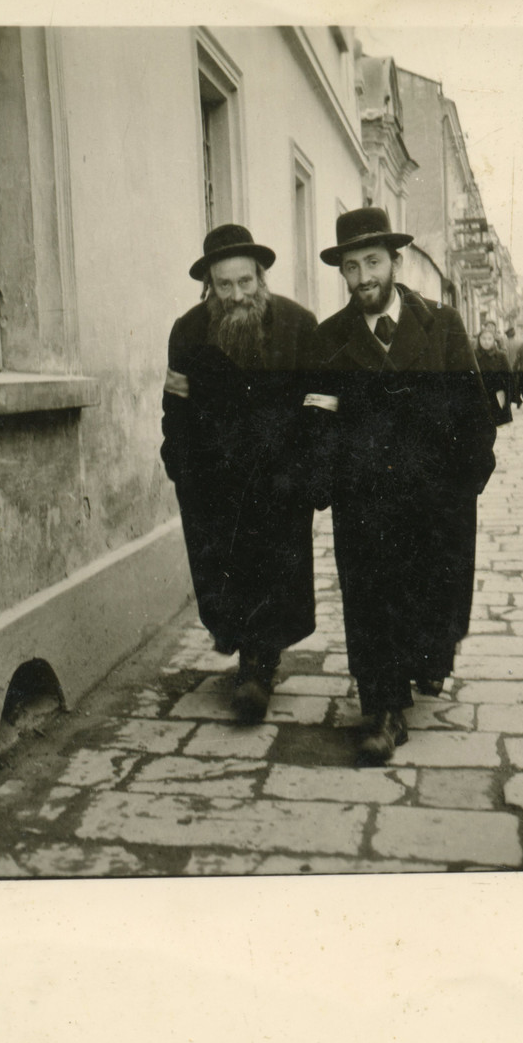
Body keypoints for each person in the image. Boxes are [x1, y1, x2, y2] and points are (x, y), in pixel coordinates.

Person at [305, 207, 496, 765]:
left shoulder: (442, 325)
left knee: (437, 601)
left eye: (371, 261)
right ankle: (384, 710)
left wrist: (466, 482)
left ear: (395, 260)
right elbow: (318, 417)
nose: (363, 276)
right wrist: (324, 479)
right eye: (350, 266)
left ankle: (429, 660)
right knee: (370, 600)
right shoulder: (330, 338)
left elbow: (474, 412)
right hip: (366, 504)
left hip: (437, 500)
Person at [161, 223, 318, 722]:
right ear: (209, 286)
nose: (236, 296)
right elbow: (175, 407)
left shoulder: (298, 325)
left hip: (279, 478)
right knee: (225, 572)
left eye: (245, 283)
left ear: (261, 277)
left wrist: (307, 469)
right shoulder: (187, 332)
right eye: (223, 286)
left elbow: (318, 404)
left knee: (275, 571)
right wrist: (180, 463)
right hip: (215, 481)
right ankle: (242, 645)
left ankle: (258, 668)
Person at [474, 325, 514, 426]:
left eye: (489, 339)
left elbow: (509, 378)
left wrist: (508, 401)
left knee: (495, 427)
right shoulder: (473, 356)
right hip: (478, 398)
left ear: (494, 341)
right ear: (479, 340)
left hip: (496, 397)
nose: (486, 342)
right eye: (483, 338)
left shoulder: (501, 356)